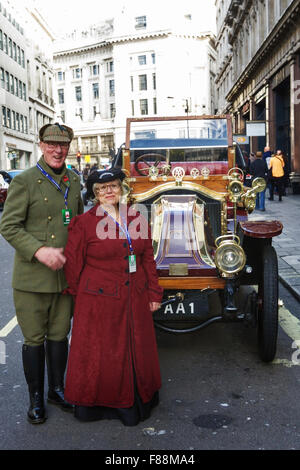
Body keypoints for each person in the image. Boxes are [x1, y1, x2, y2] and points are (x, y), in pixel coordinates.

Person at [62, 168, 163, 426]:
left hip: (136, 297)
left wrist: (154, 292)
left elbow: (147, 259)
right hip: (98, 301)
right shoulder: (84, 223)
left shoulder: (136, 217)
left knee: (136, 349)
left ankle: (138, 399)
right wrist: (82, 299)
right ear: (94, 193)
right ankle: (102, 405)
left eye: (114, 186)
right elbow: (73, 265)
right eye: (102, 188)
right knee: (103, 354)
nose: (108, 191)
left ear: (121, 188)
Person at [0, 123, 84, 424]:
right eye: (51, 144)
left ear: (69, 147)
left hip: (64, 278)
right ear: (41, 145)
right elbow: (8, 226)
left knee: (60, 336)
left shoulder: (74, 180)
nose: (57, 150)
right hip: (33, 280)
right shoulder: (24, 181)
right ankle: (35, 398)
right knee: (34, 339)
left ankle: (57, 390)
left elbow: (79, 225)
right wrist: (38, 250)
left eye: (63, 145)